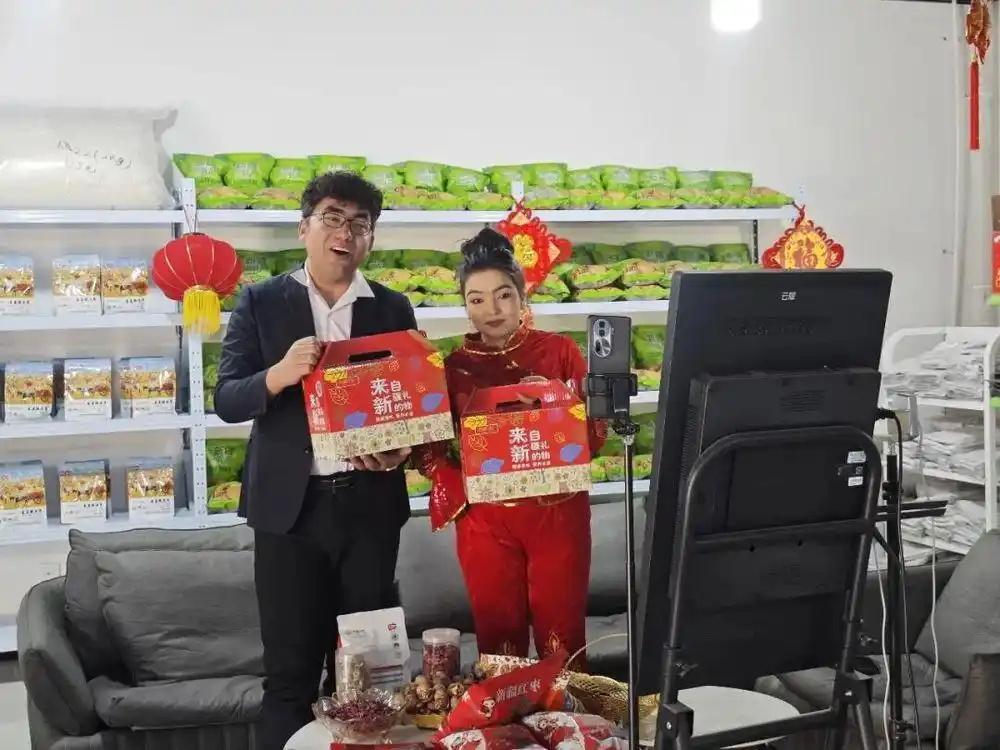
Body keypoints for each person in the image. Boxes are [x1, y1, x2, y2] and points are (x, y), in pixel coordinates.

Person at [214, 172, 416, 750]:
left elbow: (408, 406)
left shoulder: (392, 308)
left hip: (370, 511)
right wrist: (279, 374)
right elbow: (227, 398)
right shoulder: (261, 302)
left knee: (368, 674)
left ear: (370, 238)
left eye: (360, 223)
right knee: (289, 674)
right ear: (304, 228)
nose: (345, 233)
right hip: (290, 515)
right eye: (332, 218)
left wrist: (401, 448)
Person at [414, 228, 604, 670]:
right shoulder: (452, 368)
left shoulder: (560, 352)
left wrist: (555, 404)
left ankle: (566, 715)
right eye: (476, 299)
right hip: (486, 522)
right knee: (498, 644)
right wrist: (453, 479)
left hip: (557, 513)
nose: (492, 310)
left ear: (522, 296)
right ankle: (507, 714)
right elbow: (429, 449)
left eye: (503, 295)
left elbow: (594, 436)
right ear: (465, 305)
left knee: (563, 639)